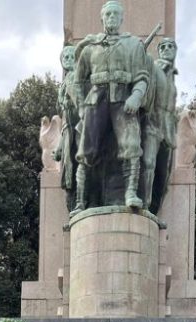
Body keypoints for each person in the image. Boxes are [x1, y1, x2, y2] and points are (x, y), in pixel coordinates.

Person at [71, 0, 153, 211]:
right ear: (102, 18)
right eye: (108, 14)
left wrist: (136, 96)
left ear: (122, 18)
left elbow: (142, 77)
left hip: (122, 99)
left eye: (116, 14)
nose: (112, 18)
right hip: (95, 100)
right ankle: (80, 200)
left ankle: (130, 193)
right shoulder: (90, 48)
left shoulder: (132, 45)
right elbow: (78, 81)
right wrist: (81, 107)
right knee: (85, 151)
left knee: (131, 146)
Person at [142, 37, 178, 215]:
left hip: (168, 131)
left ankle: (153, 214)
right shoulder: (154, 68)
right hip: (152, 126)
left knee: (163, 177)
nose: (167, 49)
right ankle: (144, 206)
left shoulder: (172, 74)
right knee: (148, 164)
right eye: (163, 46)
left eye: (171, 46)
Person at [55, 44, 80, 211]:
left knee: (80, 166)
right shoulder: (63, 84)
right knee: (68, 170)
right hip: (67, 133)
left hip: (80, 129)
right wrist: (58, 148)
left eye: (72, 56)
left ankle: (80, 202)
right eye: (66, 57)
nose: (69, 60)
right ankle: (72, 209)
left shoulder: (79, 79)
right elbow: (63, 121)